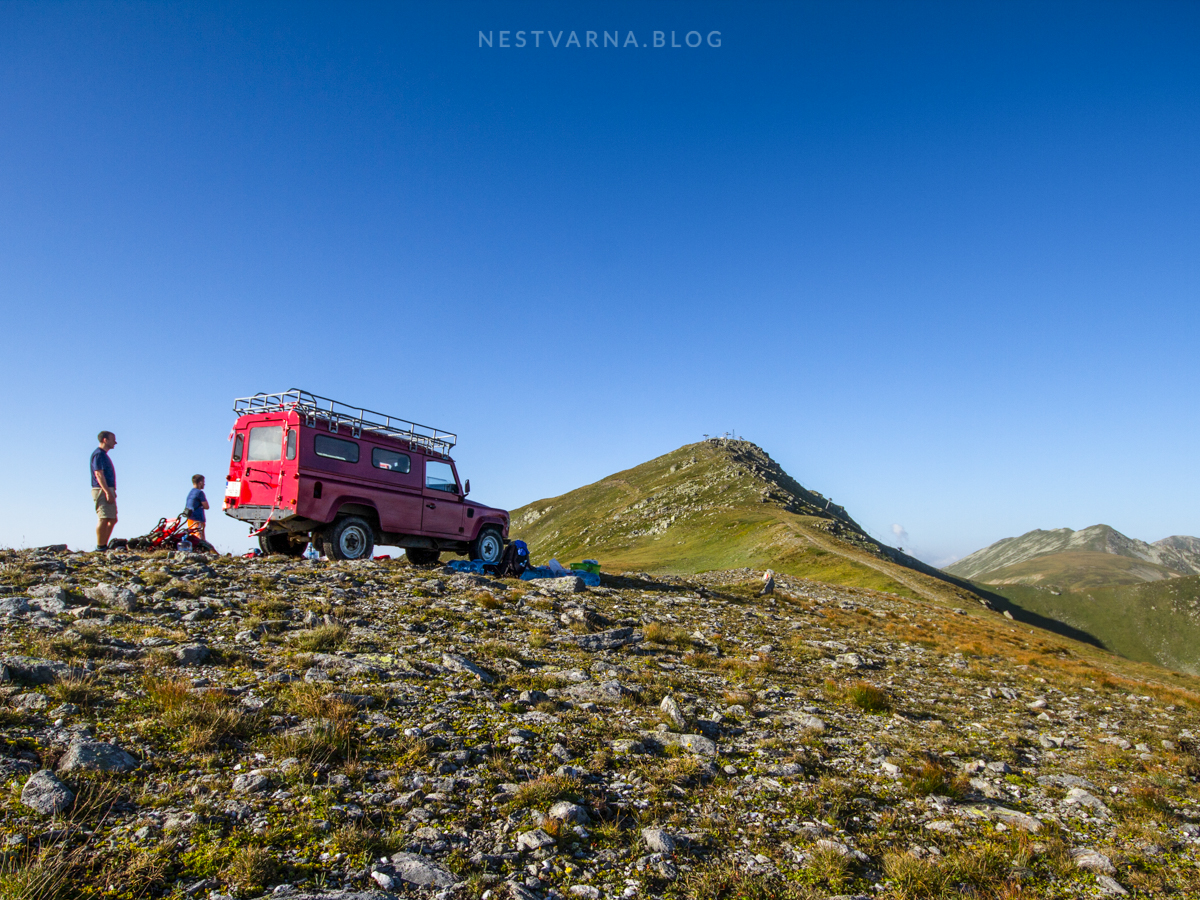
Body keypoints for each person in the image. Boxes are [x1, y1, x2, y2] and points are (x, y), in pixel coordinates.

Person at [90, 431, 118, 551]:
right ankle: (100, 546)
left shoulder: (103, 455)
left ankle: (103, 545)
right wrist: (107, 491)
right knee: (104, 517)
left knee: (112, 519)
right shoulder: (98, 455)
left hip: (107, 488)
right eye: (113, 439)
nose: (115, 442)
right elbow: (99, 474)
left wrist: (111, 490)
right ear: (105, 440)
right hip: (101, 489)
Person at [185, 474, 209, 541]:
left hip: (190, 519)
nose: (204, 484)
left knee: (192, 539)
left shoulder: (190, 493)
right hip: (198, 520)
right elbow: (206, 506)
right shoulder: (200, 493)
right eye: (203, 482)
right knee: (199, 540)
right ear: (200, 483)